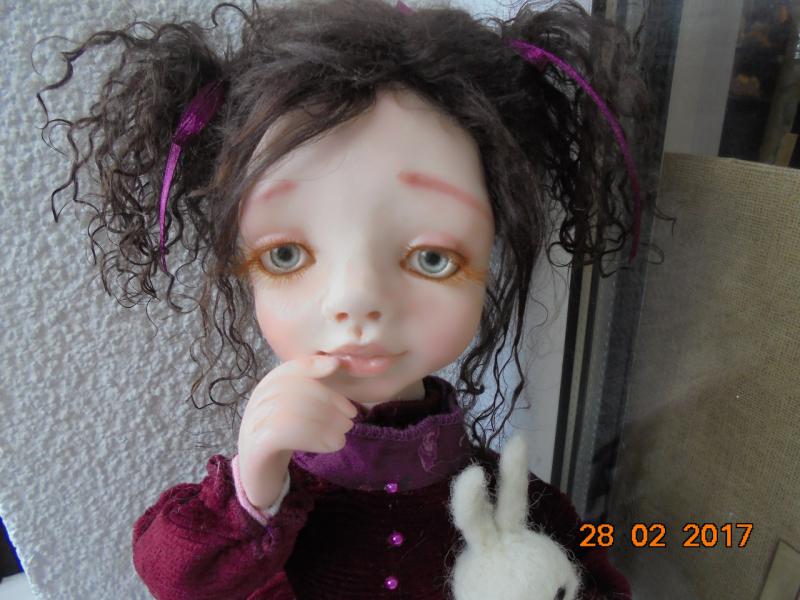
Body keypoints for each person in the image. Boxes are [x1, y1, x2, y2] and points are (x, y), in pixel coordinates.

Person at [39, 0, 660, 597]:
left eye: (431, 257)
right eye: (286, 254)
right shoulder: (241, 519)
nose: (357, 300)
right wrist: (252, 495)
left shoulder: (521, 505)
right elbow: (175, 576)